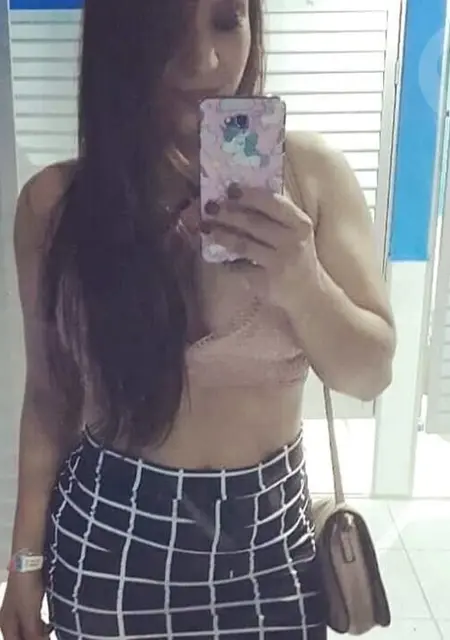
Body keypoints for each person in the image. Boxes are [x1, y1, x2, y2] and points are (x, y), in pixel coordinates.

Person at [0, 1, 396, 638]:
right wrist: (23, 563)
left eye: (225, 20)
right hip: (112, 542)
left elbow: (370, 373)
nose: (205, 60)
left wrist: (302, 281)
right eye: (169, 27)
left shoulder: (310, 177)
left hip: (274, 549)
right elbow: (50, 397)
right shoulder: (55, 208)